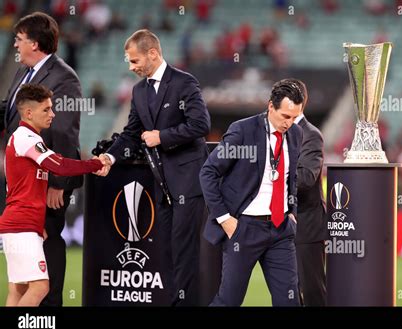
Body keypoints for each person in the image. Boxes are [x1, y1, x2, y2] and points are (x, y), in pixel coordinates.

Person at [95, 29, 210, 306]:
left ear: (153, 53)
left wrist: (162, 136)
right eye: (129, 62)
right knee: (167, 254)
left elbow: (200, 125)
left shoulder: (185, 82)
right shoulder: (139, 91)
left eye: (135, 61)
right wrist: (109, 158)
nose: (132, 67)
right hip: (163, 185)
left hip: (188, 183)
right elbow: (132, 134)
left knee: (184, 255)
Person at [0, 12, 84, 307]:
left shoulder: (64, 78)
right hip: (24, 182)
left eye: (19, 39)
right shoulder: (25, 73)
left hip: (47, 182)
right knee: (24, 265)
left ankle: (49, 312)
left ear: (35, 43)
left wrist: (58, 184)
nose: (15, 45)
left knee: (47, 245)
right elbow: (8, 112)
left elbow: (64, 131)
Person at [200, 79, 304, 306]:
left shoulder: (296, 134)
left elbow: (291, 178)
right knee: (229, 301)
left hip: (281, 231)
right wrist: (225, 219)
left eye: (295, 117)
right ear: (270, 107)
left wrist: (292, 212)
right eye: (285, 116)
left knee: (290, 302)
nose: (290, 123)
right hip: (244, 229)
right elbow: (207, 173)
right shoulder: (242, 130)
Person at [0, 84, 104, 306]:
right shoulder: (26, 137)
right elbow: (60, 166)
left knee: (18, 290)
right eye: (46, 109)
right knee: (40, 288)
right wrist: (95, 164)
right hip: (22, 224)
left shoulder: (25, 138)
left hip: (21, 224)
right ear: (29, 113)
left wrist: (38, 225)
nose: (52, 114)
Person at [292, 79, 328, 306]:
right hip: (279, 226)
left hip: (306, 226)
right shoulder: (271, 132)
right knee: (289, 291)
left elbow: (305, 178)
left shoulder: (311, 135)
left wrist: (271, 177)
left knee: (311, 291)